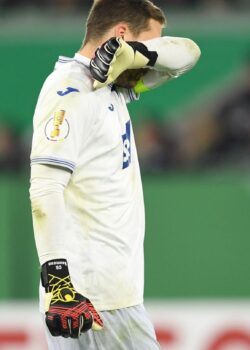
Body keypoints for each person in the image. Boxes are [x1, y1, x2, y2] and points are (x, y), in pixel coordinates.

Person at [29, 0, 201, 349]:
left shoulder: (114, 85)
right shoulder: (71, 91)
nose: (152, 55)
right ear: (120, 33)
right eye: (149, 43)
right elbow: (46, 186)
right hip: (91, 298)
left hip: (108, 297)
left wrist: (137, 53)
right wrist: (58, 280)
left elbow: (188, 54)